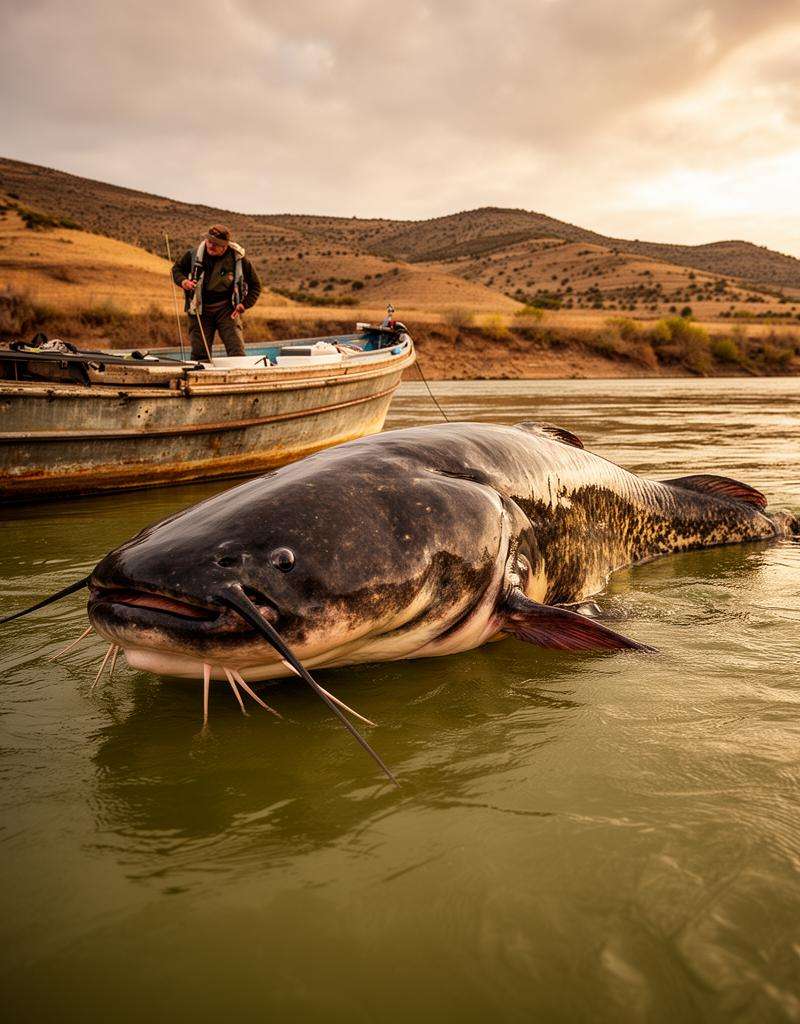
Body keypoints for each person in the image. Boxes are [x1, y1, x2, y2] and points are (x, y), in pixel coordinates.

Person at [171, 224, 262, 360]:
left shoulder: (238, 259)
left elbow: (256, 285)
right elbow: (176, 270)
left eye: (216, 244)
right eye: (209, 241)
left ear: (225, 246)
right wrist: (184, 282)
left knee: (236, 350)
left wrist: (244, 304)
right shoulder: (193, 254)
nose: (210, 245)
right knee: (200, 354)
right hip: (198, 308)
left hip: (227, 309)